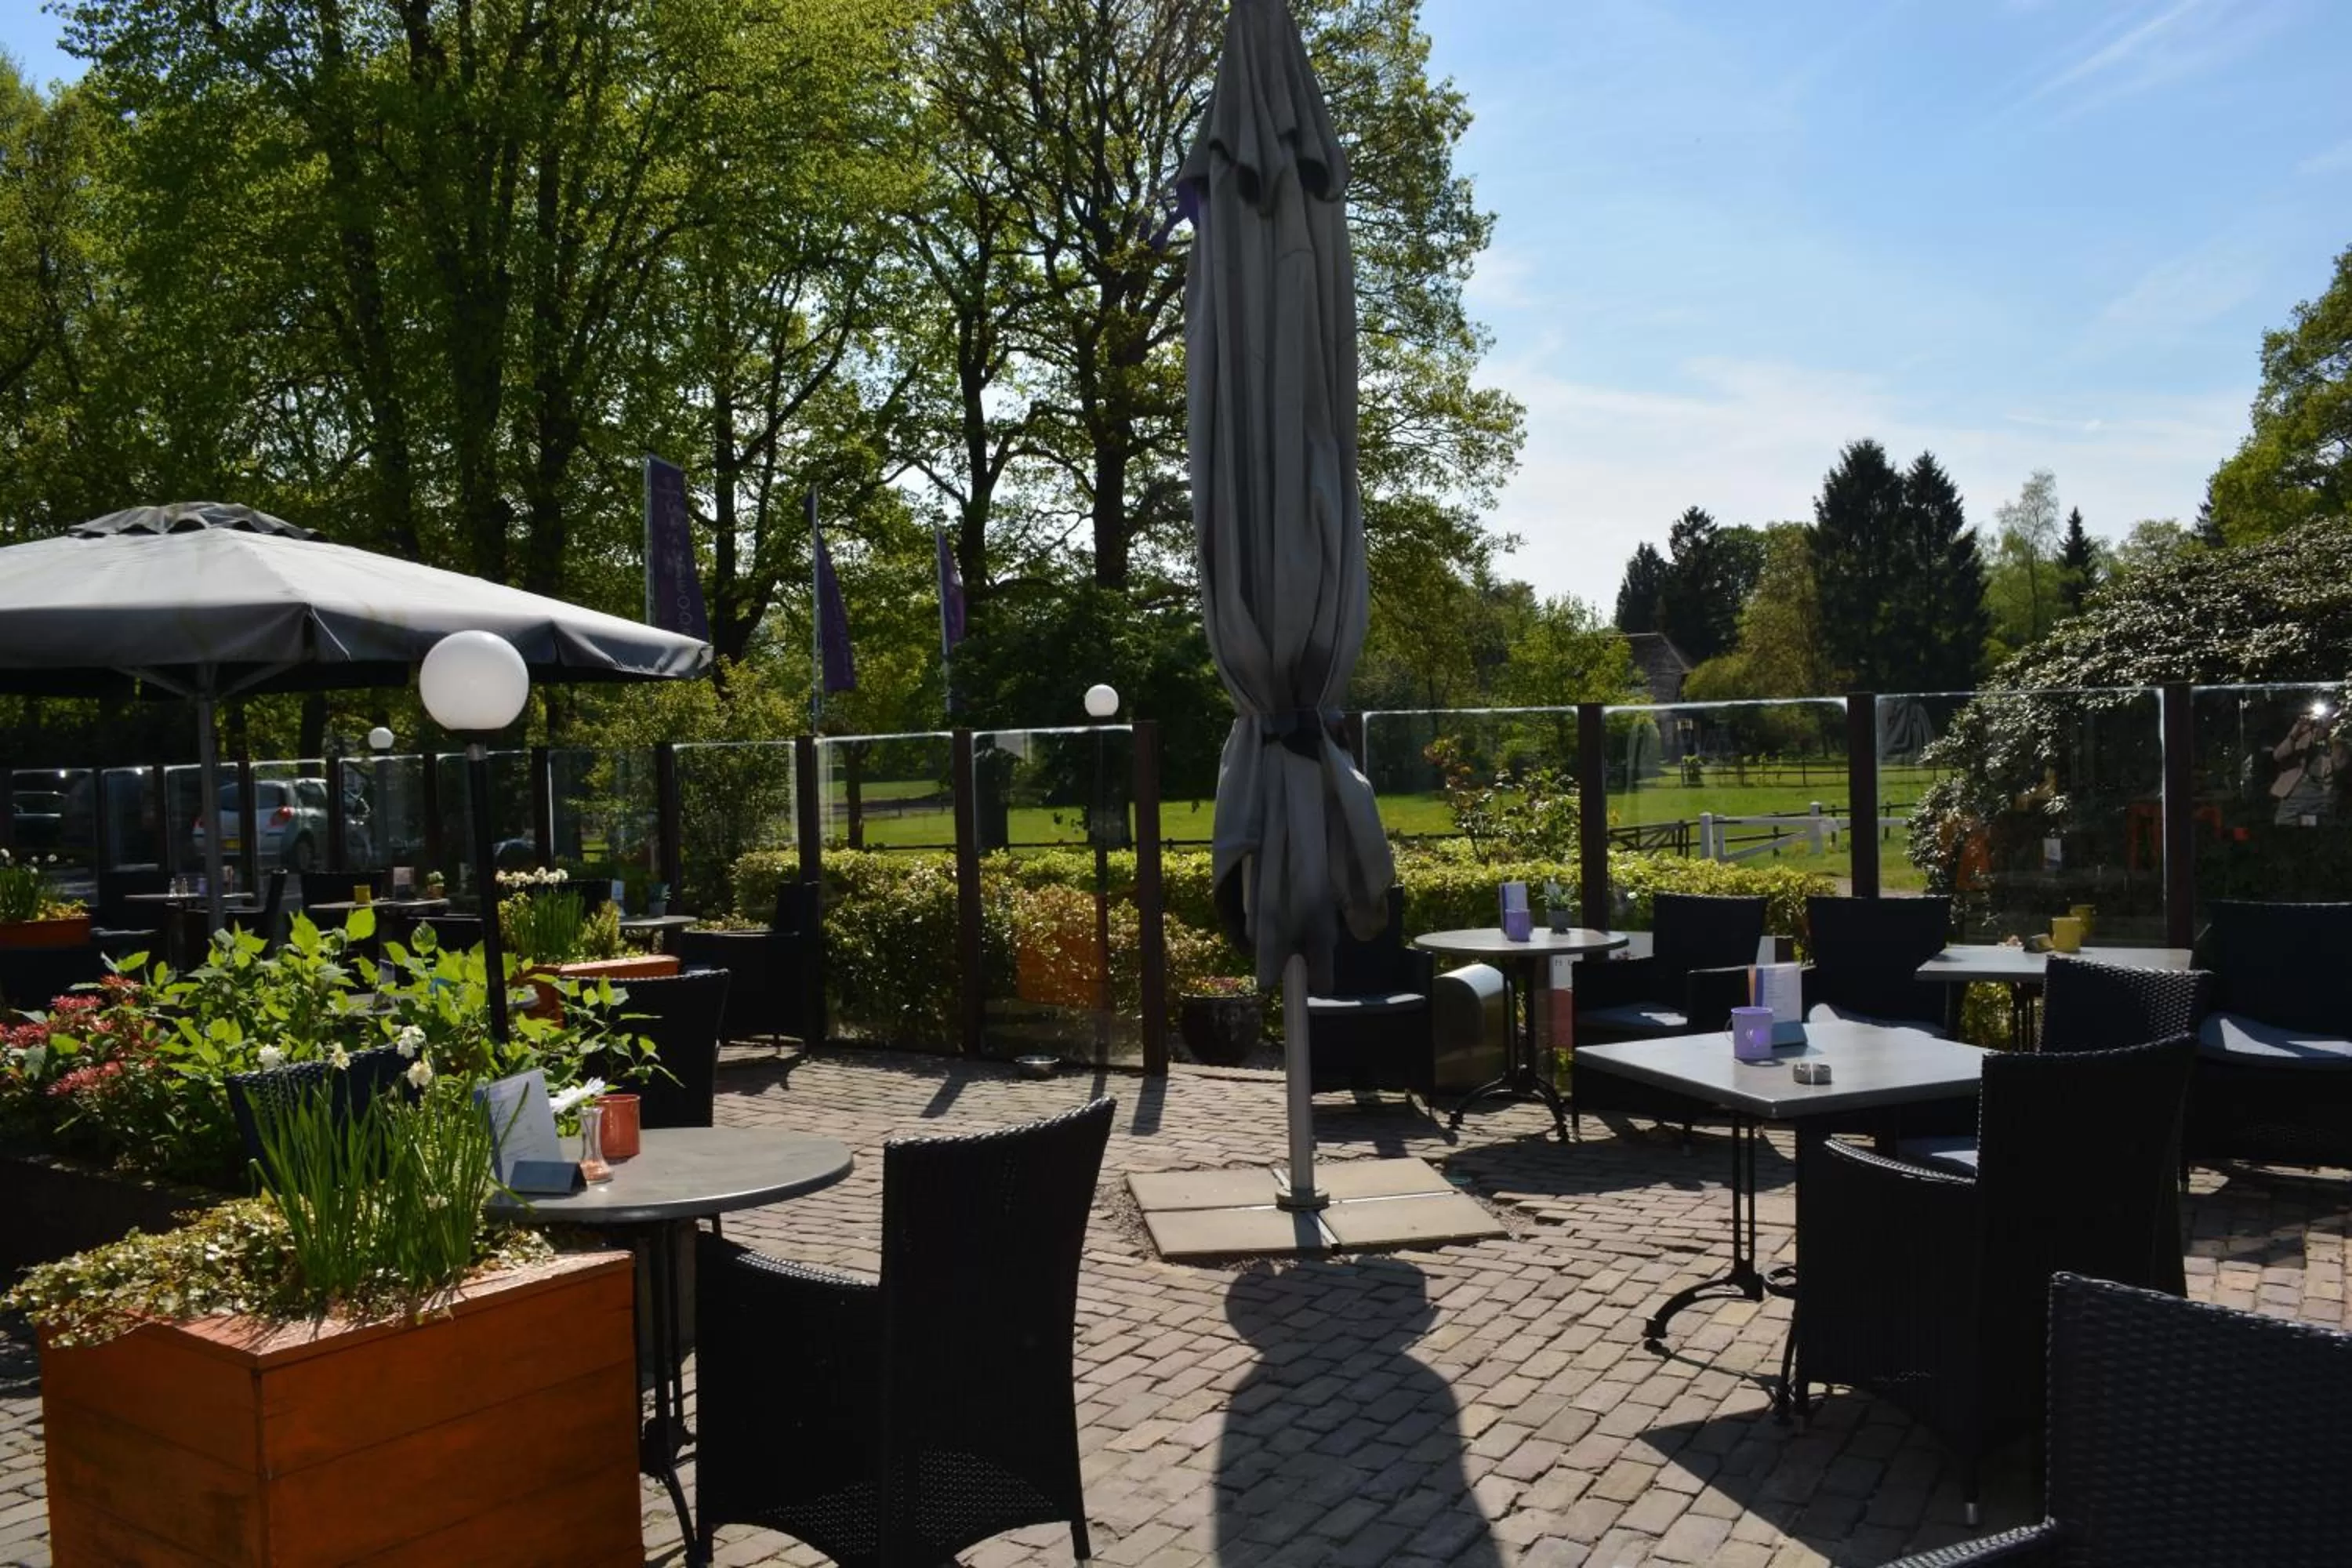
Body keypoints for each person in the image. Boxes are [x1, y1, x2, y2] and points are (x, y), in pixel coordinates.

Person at [2270, 705, 2346, 826]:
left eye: (2330, 717)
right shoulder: (2304, 734)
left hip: (2320, 791)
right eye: (2324, 716)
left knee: (2318, 824)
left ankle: (2306, 827)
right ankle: (2302, 826)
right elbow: (2278, 755)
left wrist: (2336, 747)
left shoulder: (2338, 741)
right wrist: (2295, 733)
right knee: (2284, 822)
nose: (2326, 719)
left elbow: (2340, 767)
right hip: (2295, 789)